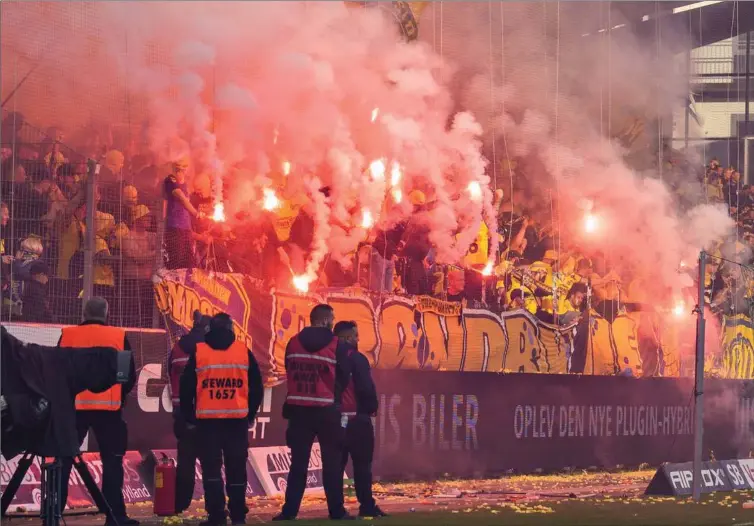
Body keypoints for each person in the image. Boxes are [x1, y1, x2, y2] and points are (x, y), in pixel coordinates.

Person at [58, 297, 138, 526]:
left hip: (75, 408)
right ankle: (115, 517)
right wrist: (118, 396)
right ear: (106, 312)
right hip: (109, 410)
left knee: (63, 460)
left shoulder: (69, 335)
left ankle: (54, 512)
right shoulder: (117, 336)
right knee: (112, 463)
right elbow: (126, 375)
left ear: (84, 312)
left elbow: (57, 368)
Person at [180, 313, 264, 526]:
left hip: (207, 424)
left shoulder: (200, 352)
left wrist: (190, 416)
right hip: (236, 422)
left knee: (211, 471)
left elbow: (186, 386)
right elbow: (257, 387)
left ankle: (216, 515)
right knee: (237, 470)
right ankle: (238, 516)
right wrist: (250, 413)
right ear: (231, 329)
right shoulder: (243, 351)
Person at [273, 304, 353, 521]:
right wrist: (332, 396)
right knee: (332, 464)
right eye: (332, 319)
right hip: (327, 410)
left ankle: (289, 512)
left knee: (298, 465)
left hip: (299, 411)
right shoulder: (337, 345)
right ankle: (336, 511)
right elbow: (344, 376)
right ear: (326, 321)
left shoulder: (293, 342)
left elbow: (289, 369)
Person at [333, 321, 385, 518]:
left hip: (333, 419)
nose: (358, 339)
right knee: (362, 466)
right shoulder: (357, 358)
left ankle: (336, 509)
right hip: (357, 419)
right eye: (355, 336)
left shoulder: (327, 357)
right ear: (346, 338)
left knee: (335, 467)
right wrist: (372, 408)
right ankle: (367, 505)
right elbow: (365, 387)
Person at [167, 310, 211, 515]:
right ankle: (214, 506)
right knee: (211, 463)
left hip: (182, 414)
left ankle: (179, 504)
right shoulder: (210, 350)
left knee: (185, 461)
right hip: (206, 414)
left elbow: (170, 374)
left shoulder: (178, 347)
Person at [164, 156, 205, 269]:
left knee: (189, 264)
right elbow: (182, 198)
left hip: (186, 230)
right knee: (176, 262)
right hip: (175, 229)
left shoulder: (185, 185)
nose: (181, 173)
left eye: (182, 170)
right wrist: (196, 213)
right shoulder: (170, 181)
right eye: (179, 170)